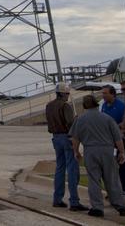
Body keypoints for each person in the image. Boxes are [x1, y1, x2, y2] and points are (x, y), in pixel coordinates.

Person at [71, 94, 125, 217]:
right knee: (112, 179)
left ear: (84, 105)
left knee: (94, 180)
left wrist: (76, 151)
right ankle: (120, 206)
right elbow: (117, 137)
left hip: (90, 150)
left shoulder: (80, 119)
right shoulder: (107, 118)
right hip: (107, 150)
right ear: (97, 104)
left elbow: (75, 138)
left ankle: (97, 208)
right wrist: (122, 152)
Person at [45, 83, 84, 212]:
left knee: (60, 168)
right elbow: (70, 124)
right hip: (66, 138)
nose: (68, 96)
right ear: (62, 93)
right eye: (67, 94)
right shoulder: (65, 106)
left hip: (55, 138)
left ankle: (57, 199)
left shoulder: (49, 106)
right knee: (72, 169)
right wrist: (76, 120)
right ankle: (74, 201)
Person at [99, 85, 125, 196]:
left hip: (119, 140)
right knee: (109, 166)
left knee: (122, 165)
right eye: (102, 93)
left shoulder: (121, 106)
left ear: (112, 94)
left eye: (105, 93)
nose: (103, 95)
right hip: (107, 141)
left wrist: (116, 128)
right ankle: (113, 189)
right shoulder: (104, 106)